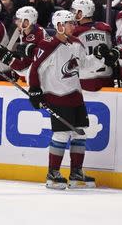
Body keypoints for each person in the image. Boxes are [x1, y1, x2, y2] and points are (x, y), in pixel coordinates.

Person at [27, 10, 103, 189]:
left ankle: (76, 172)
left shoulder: (76, 43)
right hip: (57, 96)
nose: (73, 26)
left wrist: (100, 58)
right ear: (60, 26)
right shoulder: (47, 45)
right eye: (69, 23)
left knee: (79, 132)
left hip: (75, 95)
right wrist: (35, 90)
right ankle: (52, 174)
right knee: (61, 134)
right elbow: (35, 69)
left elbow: (84, 65)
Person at [0, 6, 47, 81]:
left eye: (18, 20)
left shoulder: (37, 36)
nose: (16, 22)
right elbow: (23, 58)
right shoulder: (27, 31)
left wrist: (8, 59)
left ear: (26, 22)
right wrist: (10, 54)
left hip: (39, 81)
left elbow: (26, 70)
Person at [71, 0, 114, 91]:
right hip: (107, 78)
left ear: (81, 13)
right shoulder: (105, 28)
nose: (73, 13)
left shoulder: (75, 32)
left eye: (75, 11)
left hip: (86, 79)